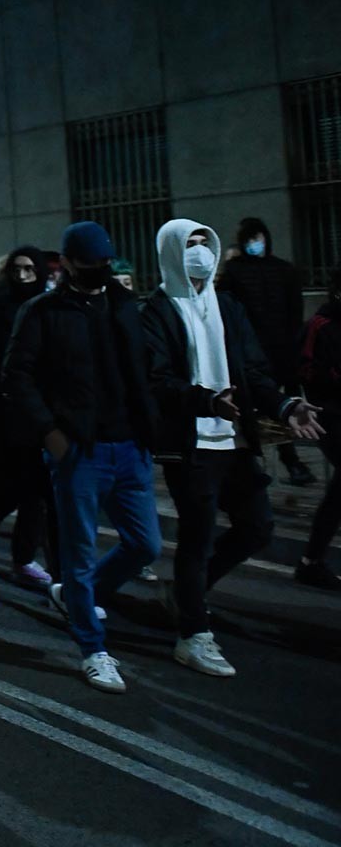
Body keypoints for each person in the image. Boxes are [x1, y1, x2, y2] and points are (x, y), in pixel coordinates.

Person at [143, 219, 322, 676]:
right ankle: (193, 635)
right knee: (197, 536)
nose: (200, 252)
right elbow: (158, 380)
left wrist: (284, 406)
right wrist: (205, 401)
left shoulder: (227, 305)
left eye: (206, 243)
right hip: (192, 442)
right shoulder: (158, 312)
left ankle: (187, 593)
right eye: (190, 245)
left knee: (258, 526)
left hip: (236, 438)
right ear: (170, 253)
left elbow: (254, 370)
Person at [4, 221, 163, 693]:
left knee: (145, 544)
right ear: (67, 263)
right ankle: (93, 648)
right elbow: (17, 376)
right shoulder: (43, 312)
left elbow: (145, 367)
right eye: (90, 265)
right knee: (76, 553)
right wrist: (51, 433)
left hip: (130, 446)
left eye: (105, 265)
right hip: (78, 450)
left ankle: (80, 597)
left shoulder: (124, 304)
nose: (99, 272)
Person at [0, 247, 57, 597]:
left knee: (39, 496)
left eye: (30, 270)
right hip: (5, 417)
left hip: (40, 416)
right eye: (17, 269)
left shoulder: (48, 308)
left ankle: (24, 558)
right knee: (8, 492)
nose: (22, 276)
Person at [218, 217, 316, 486]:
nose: (254, 243)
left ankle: (289, 461)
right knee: (267, 406)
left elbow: (295, 314)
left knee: (285, 406)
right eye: (250, 238)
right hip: (259, 355)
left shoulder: (278, 271)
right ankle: (286, 462)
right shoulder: (240, 272)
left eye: (257, 237)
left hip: (278, 353)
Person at [297, 274, 341, 589]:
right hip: (333, 416)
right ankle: (311, 561)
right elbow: (308, 372)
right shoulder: (320, 325)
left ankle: (311, 561)